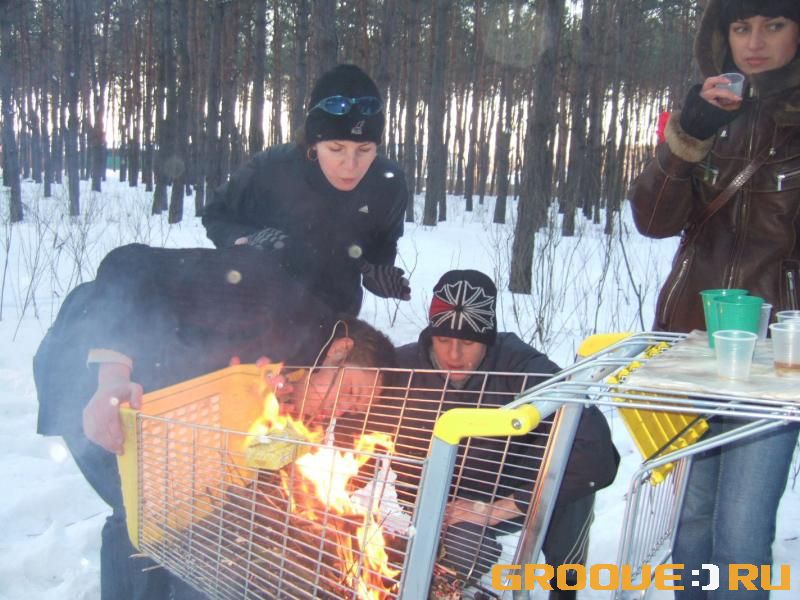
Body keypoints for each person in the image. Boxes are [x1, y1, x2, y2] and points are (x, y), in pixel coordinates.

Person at [34, 243, 396, 600]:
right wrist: (112, 376)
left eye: (351, 410)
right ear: (340, 349)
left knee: (178, 516)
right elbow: (128, 264)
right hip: (90, 367)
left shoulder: (303, 366)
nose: (338, 410)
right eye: (350, 392)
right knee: (142, 516)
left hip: (160, 395)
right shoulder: (274, 304)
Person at [628, 1, 800, 596]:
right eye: (741, 27)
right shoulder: (707, 109)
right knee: (692, 521)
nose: (755, 42)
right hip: (695, 342)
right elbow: (653, 220)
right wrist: (689, 136)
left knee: (741, 534)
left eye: (774, 25)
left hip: (774, 357)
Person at [386, 269, 619, 600]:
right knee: (449, 560)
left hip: (514, 491)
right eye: (443, 340)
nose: (453, 355)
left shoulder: (518, 363)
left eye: (468, 343)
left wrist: (496, 509)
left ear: (488, 338)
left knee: (572, 473)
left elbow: (598, 451)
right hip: (438, 506)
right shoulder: (400, 366)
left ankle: (564, 588)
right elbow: (352, 425)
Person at [202, 63, 410, 317]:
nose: (351, 165)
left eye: (364, 149)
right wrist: (246, 239)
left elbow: (383, 244)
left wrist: (376, 273)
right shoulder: (273, 168)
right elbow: (216, 214)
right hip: (260, 314)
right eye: (336, 149)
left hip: (336, 317)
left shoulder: (388, 184)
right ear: (313, 143)